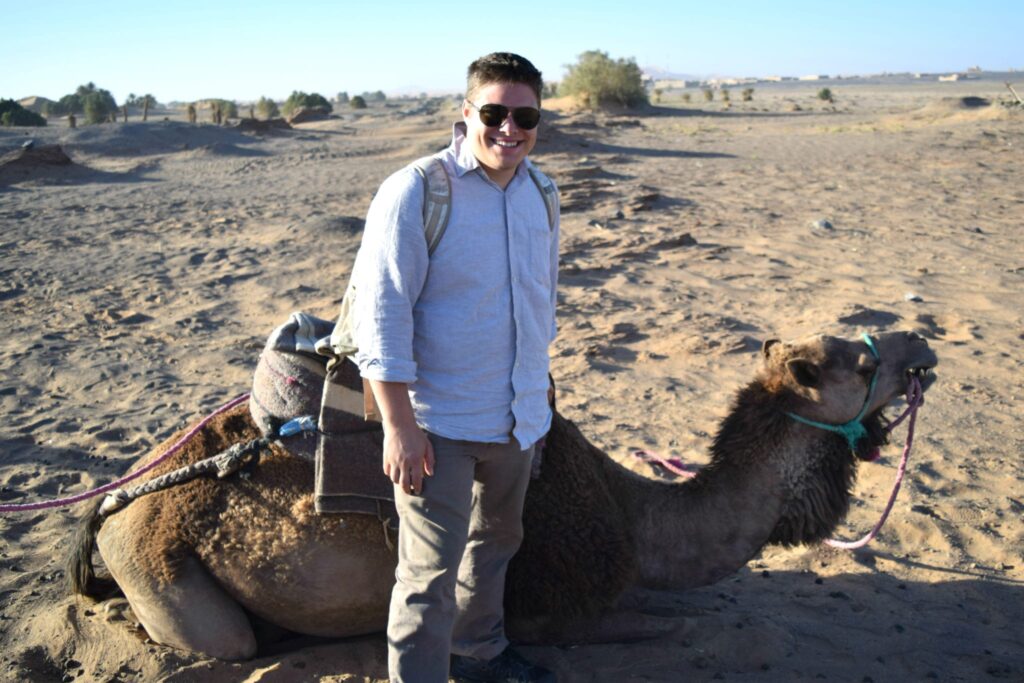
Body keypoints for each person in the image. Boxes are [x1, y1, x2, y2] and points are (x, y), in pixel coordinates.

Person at [351, 52, 559, 683]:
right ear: (467, 112)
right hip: (438, 421)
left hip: (515, 419)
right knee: (426, 577)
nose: (508, 129)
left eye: (524, 116)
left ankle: (478, 657)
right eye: (494, 113)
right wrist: (399, 426)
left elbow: (538, 297)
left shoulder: (541, 192)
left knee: (496, 546)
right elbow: (382, 315)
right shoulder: (418, 190)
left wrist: (538, 389)